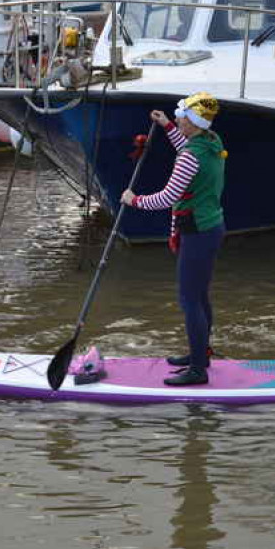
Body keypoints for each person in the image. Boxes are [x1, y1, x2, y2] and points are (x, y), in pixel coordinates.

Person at [120, 92, 226, 386]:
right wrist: (167, 126)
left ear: (193, 122)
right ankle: (200, 354)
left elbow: (168, 197)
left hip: (196, 231)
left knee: (189, 299)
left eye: (182, 118)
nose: (178, 120)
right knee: (200, 295)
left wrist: (134, 200)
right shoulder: (211, 141)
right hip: (211, 226)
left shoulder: (190, 158)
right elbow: (188, 149)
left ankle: (197, 370)